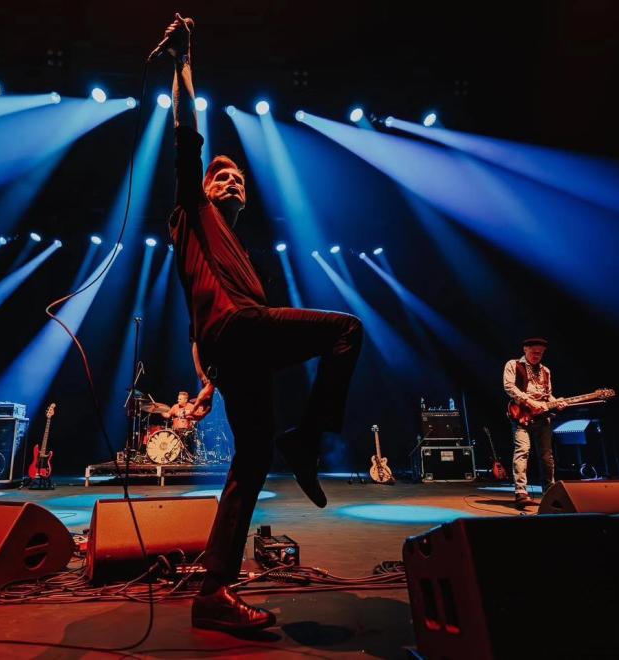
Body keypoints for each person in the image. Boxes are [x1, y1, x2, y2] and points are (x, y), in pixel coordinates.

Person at [161, 15, 363, 631]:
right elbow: (186, 133)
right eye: (222, 175)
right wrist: (184, 62)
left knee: (250, 461)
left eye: (239, 179)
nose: (232, 181)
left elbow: (197, 313)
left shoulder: (236, 249)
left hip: (231, 345)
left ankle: (212, 592)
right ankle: (308, 437)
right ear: (203, 186)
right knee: (345, 329)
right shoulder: (192, 211)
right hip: (240, 330)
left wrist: (205, 372)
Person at [503, 337, 566, 509]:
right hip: (521, 414)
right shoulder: (513, 364)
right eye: (534, 352)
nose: (537, 355)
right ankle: (521, 493)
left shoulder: (546, 370)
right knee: (522, 450)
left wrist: (557, 402)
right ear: (525, 349)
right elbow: (509, 387)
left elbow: (547, 395)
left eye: (540, 353)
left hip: (542, 417)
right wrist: (531, 402)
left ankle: (550, 492)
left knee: (547, 456)